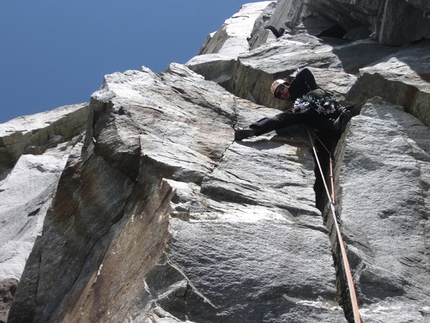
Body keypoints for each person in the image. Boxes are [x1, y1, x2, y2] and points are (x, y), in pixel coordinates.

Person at [234, 68, 351, 141]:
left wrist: (313, 91)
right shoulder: (293, 104)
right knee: (284, 119)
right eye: (279, 94)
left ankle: (338, 122)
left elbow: (305, 72)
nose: (282, 92)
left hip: (320, 104)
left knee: (285, 118)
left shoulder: (296, 85)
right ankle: (253, 130)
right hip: (307, 111)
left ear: (286, 84)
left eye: (281, 88)